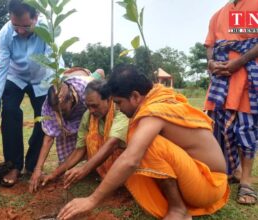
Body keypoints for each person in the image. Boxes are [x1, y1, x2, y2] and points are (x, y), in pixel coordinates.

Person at [58, 64, 230, 220]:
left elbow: (131, 159)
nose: (117, 108)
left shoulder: (153, 111)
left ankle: (179, 210)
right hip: (197, 176)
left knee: (145, 145)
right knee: (140, 144)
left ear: (135, 96)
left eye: (118, 102)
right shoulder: (155, 99)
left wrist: (92, 200)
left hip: (210, 185)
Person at [0, 0, 58, 187]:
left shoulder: (46, 29)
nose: (20, 30)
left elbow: (52, 62)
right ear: (10, 18)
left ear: (36, 17)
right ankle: (14, 165)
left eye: (26, 25)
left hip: (40, 78)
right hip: (15, 76)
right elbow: (0, 68)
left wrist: (55, 92)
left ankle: (33, 164)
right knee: (9, 111)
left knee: (44, 118)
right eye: (15, 25)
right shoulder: (4, 34)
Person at [29, 79, 128, 192]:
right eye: (88, 106)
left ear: (109, 99)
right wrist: (54, 174)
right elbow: (79, 151)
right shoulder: (88, 116)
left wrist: (84, 169)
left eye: (95, 106)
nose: (91, 110)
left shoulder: (120, 110)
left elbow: (112, 144)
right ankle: (104, 172)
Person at [204, 0, 258, 204]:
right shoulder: (218, 14)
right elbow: (210, 44)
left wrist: (239, 61)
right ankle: (231, 170)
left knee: (245, 128)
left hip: (247, 78)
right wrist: (211, 62)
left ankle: (246, 181)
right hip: (221, 79)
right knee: (220, 127)